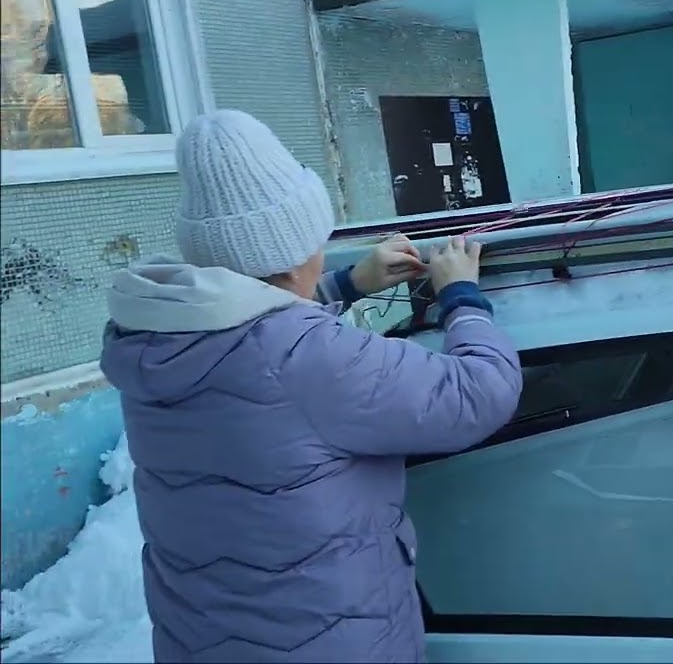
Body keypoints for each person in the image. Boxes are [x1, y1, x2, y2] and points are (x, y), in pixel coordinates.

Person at [99, 110, 523, 663]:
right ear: (302, 245)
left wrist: (346, 284)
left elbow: (258, 335)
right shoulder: (306, 357)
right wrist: (462, 296)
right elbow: (478, 392)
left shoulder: (157, 337)